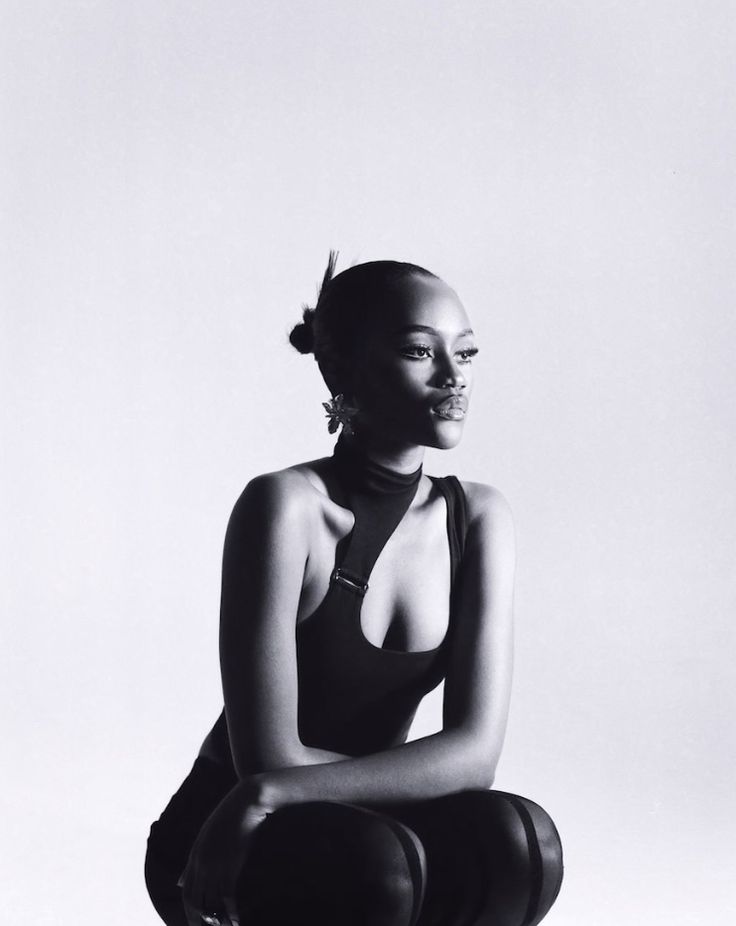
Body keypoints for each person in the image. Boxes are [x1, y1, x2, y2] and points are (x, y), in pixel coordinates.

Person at [144, 254, 564, 926]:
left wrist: (271, 791)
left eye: (467, 352)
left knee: (521, 842)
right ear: (348, 372)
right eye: (419, 352)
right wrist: (262, 794)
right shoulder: (285, 507)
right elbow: (266, 758)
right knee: (382, 866)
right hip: (227, 834)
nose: (454, 377)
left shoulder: (479, 519)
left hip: (350, 824)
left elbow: (475, 753)